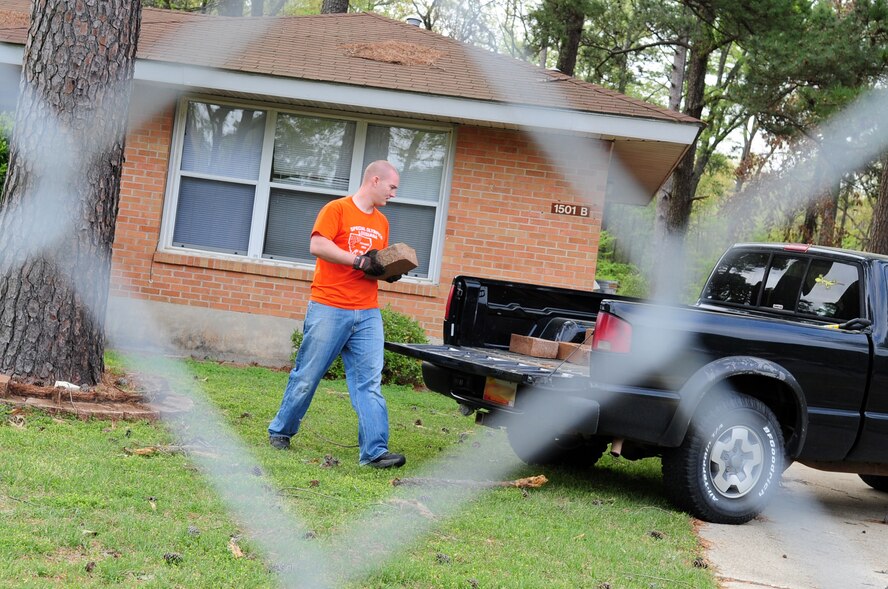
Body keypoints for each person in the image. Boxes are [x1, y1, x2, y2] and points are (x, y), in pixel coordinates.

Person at [267, 160, 406, 469]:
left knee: (369, 384)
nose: (394, 194)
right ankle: (281, 431)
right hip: (329, 306)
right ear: (374, 180)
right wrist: (359, 262)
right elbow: (317, 244)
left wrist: (387, 272)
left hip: (367, 312)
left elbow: (370, 267)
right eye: (392, 187)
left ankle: (374, 452)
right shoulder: (337, 209)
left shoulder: (382, 222)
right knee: (307, 376)